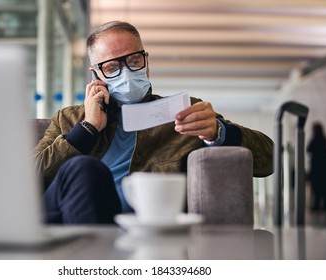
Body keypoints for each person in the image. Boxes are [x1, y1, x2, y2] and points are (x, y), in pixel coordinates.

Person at [34, 21, 274, 224]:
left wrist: (219, 133)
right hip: (72, 217)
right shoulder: (69, 118)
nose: (126, 73)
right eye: (111, 67)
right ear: (96, 73)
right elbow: (26, 180)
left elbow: (269, 159)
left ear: (146, 60)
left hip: (148, 225)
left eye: (134, 60)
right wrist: (87, 129)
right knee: (85, 168)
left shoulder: (182, 113)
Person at [307, 122, 326, 211]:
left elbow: (308, 149)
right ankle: (325, 205)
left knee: (316, 188)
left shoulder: (315, 139)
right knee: (324, 187)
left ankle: (316, 205)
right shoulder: (324, 139)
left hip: (316, 167)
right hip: (324, 167)